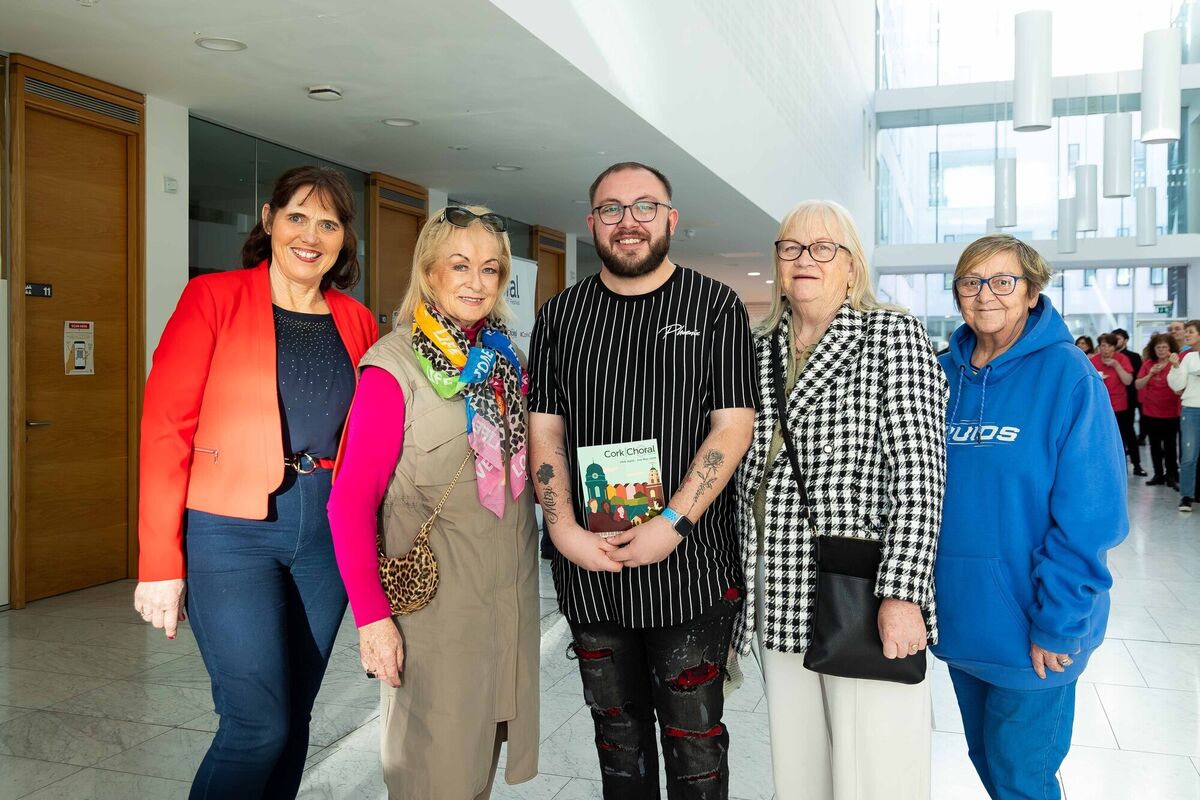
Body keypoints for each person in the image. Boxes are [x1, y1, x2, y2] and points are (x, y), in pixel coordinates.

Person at [134, 165, 378, 798]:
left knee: (293, 718)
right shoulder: (212, 298)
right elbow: (166, 427)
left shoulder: (356, 321)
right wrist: (160, 561)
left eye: (328, 223)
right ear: (269, 221)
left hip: (326, 535)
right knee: (255, 723)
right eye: (297, 216)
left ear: (343, 239)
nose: (311, 235)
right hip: (230, 532)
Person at [529, 162, 757, 799]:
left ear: (670, 219)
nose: (628, 221)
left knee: (695, 743)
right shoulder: (561, 316)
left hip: (692, 567)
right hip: (590, 566)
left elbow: (731, 429)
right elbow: (544, 431)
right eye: (611, 208)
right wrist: (563, 528)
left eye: (645, 207)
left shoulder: (715, 307)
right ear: (592, 222)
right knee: (617, 741)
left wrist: (672, 522)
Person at [733, 200, 946, 800]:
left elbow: (920, 473)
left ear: (851, 265)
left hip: (862, 583)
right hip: (776, 582)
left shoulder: (892, 334)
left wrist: (903, 594)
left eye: (823, 248)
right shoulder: (758, 346)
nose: (806, 259)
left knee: (877, 768)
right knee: (798, 765)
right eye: (791, 247)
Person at [326, 206, 539, 799]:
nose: (477, 282)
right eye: (461, 265)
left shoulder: (501, 363)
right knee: (431, 776)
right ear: (429, 271)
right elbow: (347, 505)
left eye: (492, 270)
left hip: (503, 609)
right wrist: (372, 621)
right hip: (433, 620)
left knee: (474, 775)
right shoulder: (393, 369)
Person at [935, 234, 1127, 800]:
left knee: (1023, 777)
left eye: (1003, 280)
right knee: (987, 761)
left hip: (1035, 626)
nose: (985, 294)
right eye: (971, 282)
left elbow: (1091, 516)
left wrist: (1059, 622)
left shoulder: (1069, 376)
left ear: (1033, 291)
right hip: (961, 618)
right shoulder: (939, 375)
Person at [1091, 334, 1143, 476]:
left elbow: (1128, 381)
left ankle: (1136, 465)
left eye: (1109, 346)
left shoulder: (1122, 359)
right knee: (1102, 437)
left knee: (1126, 435)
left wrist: (1116, 365)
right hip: (1100, 406)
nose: (1105, 349)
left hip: (1120, 404)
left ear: (1114, 347)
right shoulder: (1093, 360)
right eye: (1102, 345)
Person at [1137, 333, 1182, 489]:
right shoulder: (1148, 364)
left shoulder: (1176, 363)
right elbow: (1138, 385)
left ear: (1170, 349)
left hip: (1171, 412)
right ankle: (1158, 474)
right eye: (1158, 347)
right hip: (1151, 412)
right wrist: (1150, 374)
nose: (1161, 350)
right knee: (1154, 446)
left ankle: (1171, 475)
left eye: (1164, 347)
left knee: (1170, 447)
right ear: (1153, 349)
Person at [1167, 320, 1200, 511]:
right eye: (1185, 332)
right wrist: (1176, 366)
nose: (1187, 335)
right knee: (1189, 456)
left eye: (1190, 332)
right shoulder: (1188, 357)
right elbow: (1177, 386)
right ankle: (1186, 496)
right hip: (1191, 410)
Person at [1113, 328, 1147, 447]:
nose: (1115, 341)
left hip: (1130, 396)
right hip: (1114, 397)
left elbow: (1136, 377)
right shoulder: (1108, 357)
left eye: (1118, 339)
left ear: (1126, 340)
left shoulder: (1134, 357)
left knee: (1128, 427)